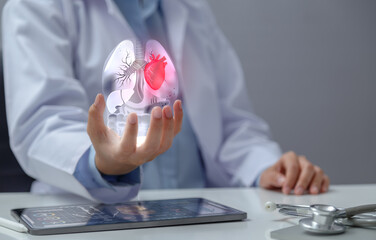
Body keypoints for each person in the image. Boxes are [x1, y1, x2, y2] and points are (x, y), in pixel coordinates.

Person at [2, 0, 329, 203]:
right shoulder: (38, 5)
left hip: (199, 213)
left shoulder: (189, 7)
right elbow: (41, 124)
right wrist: (106, 163)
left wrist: (265, 168)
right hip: (93, 216)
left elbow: (231, 123)